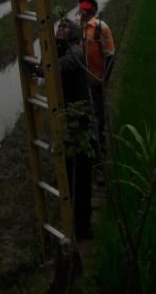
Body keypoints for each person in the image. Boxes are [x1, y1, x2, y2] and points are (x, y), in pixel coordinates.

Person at [55, 18, 95, 241]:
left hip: (80, 124)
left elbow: (58, 67)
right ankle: (74, 222)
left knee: (80, 175)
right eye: (59, 27)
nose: (61, 30)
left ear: (74, 33)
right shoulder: (62, 51)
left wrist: (43, 68)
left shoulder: (76, 52)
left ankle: (83, 226)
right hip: (68, 122)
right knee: (70, 171)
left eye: (65, 27)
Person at [77, 0, 115, 159]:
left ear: (91, 11)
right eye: (81, 10)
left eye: (85, 10)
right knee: (84, 114)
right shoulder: (79, 29)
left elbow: (110, 55)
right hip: (83, 80)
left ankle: (101, 152)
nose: (82, 13)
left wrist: (103, 79)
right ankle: (88, 149)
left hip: (97, 80)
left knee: (99, 116)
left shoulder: (101, 28)